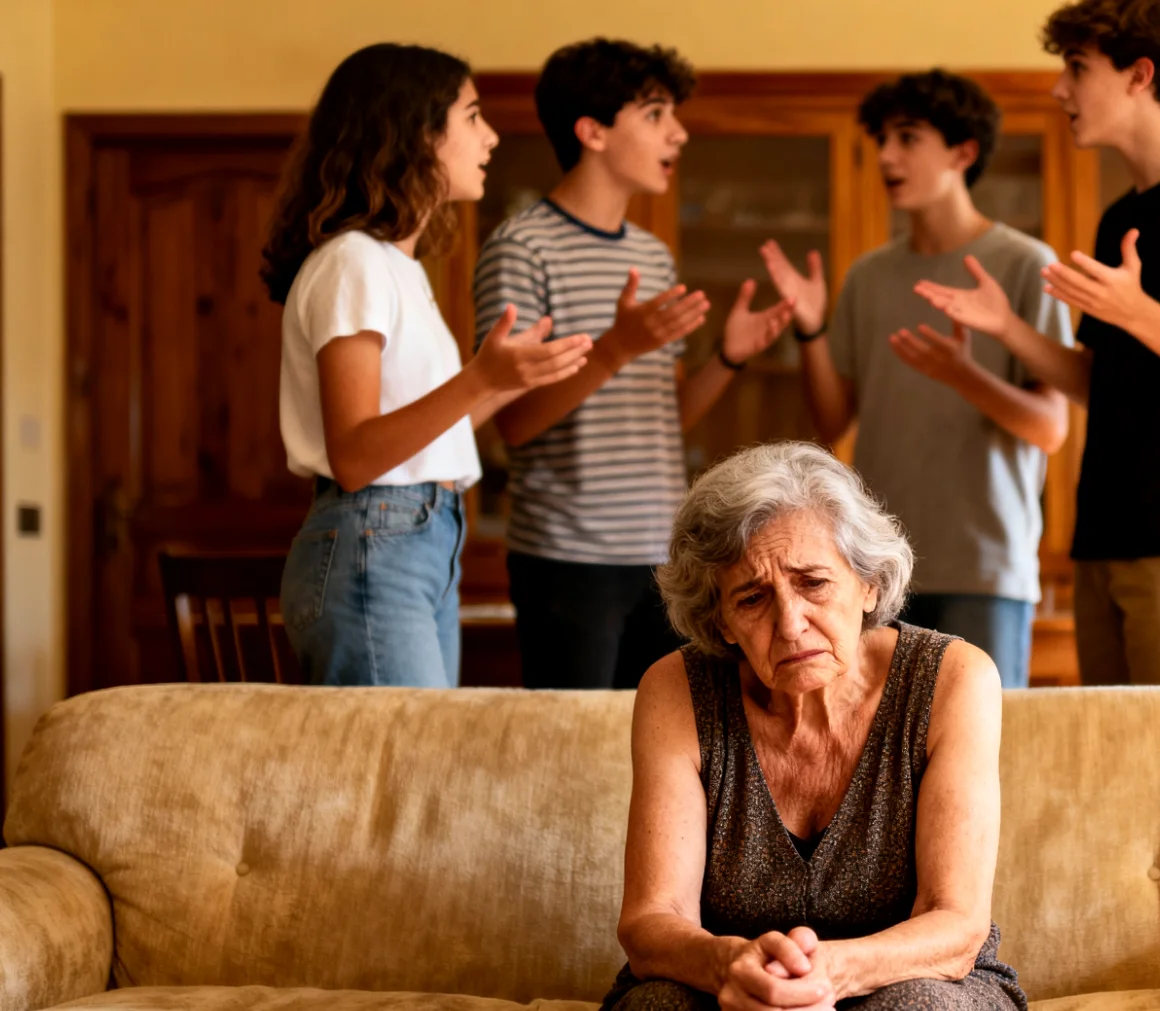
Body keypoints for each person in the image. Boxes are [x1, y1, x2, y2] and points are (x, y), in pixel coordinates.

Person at [916, 0, 1160, 686]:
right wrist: (1008, 328)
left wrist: (1138, 311)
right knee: (1121, 774)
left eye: (1078, 68)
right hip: (1105, 538)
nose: (1061, 88)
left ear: (1139, 76)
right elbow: (1099, 381)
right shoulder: (1123, 214)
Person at [606, 441, 1025, 1011]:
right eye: (752, 598)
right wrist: (732, 967)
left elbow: (954, 922)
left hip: (916, 979)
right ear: (721, 621)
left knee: (920, 1006)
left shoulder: (953, 678)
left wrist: (825, 974)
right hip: (729, 986)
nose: (790, 623)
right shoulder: (677, 689)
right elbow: (653, 919)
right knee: (659, 1005)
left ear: (869, 583)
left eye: (813, 583)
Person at [265, 43, 593, 687]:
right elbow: (357, 456)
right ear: (415, 134)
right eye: (473, 116)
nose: (491, 137)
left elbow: (422, 436)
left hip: (417, 541)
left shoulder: (397, 269)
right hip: (376, 541)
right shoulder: (352, 262)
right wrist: (480, 379)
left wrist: (506, 382)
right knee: (403, 781)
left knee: (417, 773)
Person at [475, 38, 794, 691]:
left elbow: (665, 419)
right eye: (654, 114)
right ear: (591, 131)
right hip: (566, 559)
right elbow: (511, 424)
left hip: (664, 559)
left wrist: (728, 357)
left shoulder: (651, 256)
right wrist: (615, 347)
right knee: (577, 759)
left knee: (666, 754)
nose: (677, 131)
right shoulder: (521, 247)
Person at [760, 70, 1074, 689]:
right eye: (882, 139)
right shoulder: (870, 276)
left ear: (962, 152)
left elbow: (1050, 428)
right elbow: (832, 422)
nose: (886, 156)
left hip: (983, 570)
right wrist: (811, 329)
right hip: (871, 570)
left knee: (975, 764)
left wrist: (965, 376)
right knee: (877, 763)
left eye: (907, 138)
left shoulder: (1024, 264)